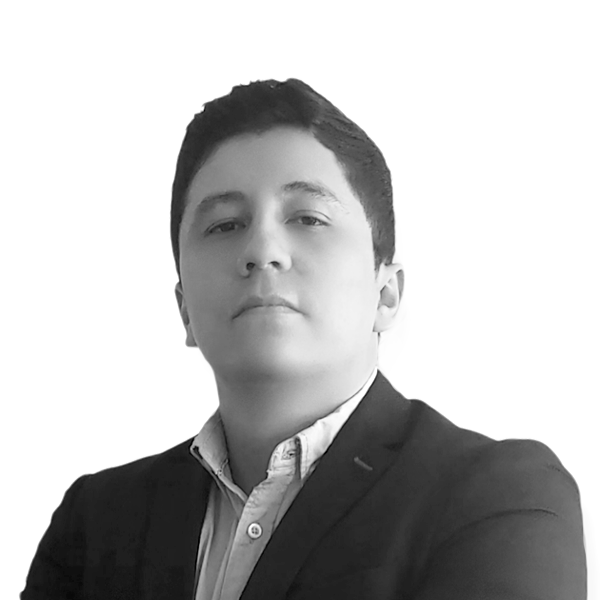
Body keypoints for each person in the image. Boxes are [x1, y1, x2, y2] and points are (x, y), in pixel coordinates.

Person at [21, 78, 586, 600]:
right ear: (185, 309)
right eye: (224, 224)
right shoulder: (94, 524)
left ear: (386, 295)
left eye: (308, 218)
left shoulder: (499, 497)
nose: (261, 250)